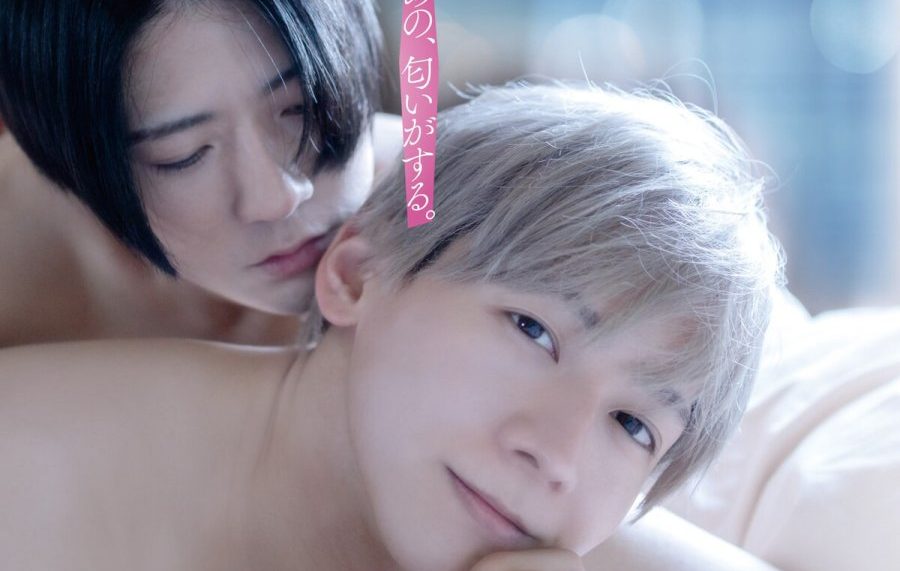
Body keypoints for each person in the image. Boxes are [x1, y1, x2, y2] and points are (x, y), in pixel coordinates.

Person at [0, 83, 783, 570]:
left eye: (632, 424)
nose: (556, 453)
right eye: (532, 330)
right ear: (356, 274)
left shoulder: (527, 522)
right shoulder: (34, 477)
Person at [0, 0, 400, 347]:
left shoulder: (422, 188)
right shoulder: (18, 297)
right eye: (183, 155)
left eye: (302, 107)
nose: (279, 198)